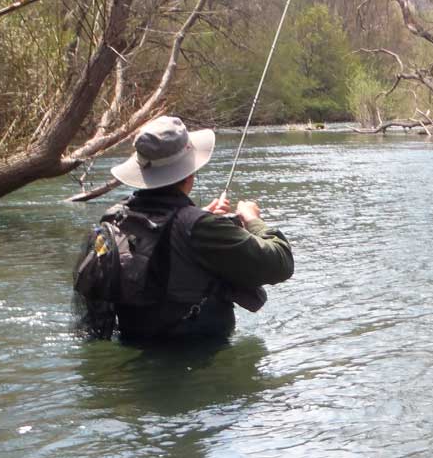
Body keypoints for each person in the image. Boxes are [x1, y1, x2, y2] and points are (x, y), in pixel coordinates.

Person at [75, 115, 293, 342]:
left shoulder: (117, 218)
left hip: (136, 342)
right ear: (188, 173)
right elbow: (281, 263)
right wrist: (252, 219)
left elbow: (161, 241)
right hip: (195, 357)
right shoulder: (199, 227)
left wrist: (199, 218)